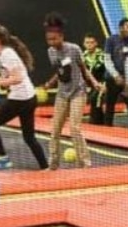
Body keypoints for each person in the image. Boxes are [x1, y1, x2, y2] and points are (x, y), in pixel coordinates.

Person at [0, 24, 48, 171]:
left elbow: (17, 78)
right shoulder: (6, 53)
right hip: (28, 98)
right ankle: (45, 167)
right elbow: (11, 76)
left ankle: (3, 159)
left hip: (20, 99)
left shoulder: (7, 54)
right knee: (29, 137)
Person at [42, 13, 101, 170]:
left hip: (78, 92)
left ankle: (84, 163)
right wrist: (49, 83)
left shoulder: (74, 49)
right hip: (62, 94)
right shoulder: (51, 52)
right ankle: (53, 164)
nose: (52, 42)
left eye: (55, 38)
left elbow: (83, 69)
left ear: (61, 36)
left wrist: (94, 83)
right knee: (54, 129)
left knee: (75, 128)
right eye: (49, 39)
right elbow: (59, 71)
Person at [82, 32, 107, 125]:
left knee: (95, 98)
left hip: (102, 82)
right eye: (87, 43)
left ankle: (95, 121)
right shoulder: (83, 56)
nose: (89, 45)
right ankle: (100, 121)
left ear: (96, 43)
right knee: (93, 99)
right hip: (90, 83)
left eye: (91, 42)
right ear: (84, 44)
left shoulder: (102, 56)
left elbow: (108, 70)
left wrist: (105, 84)